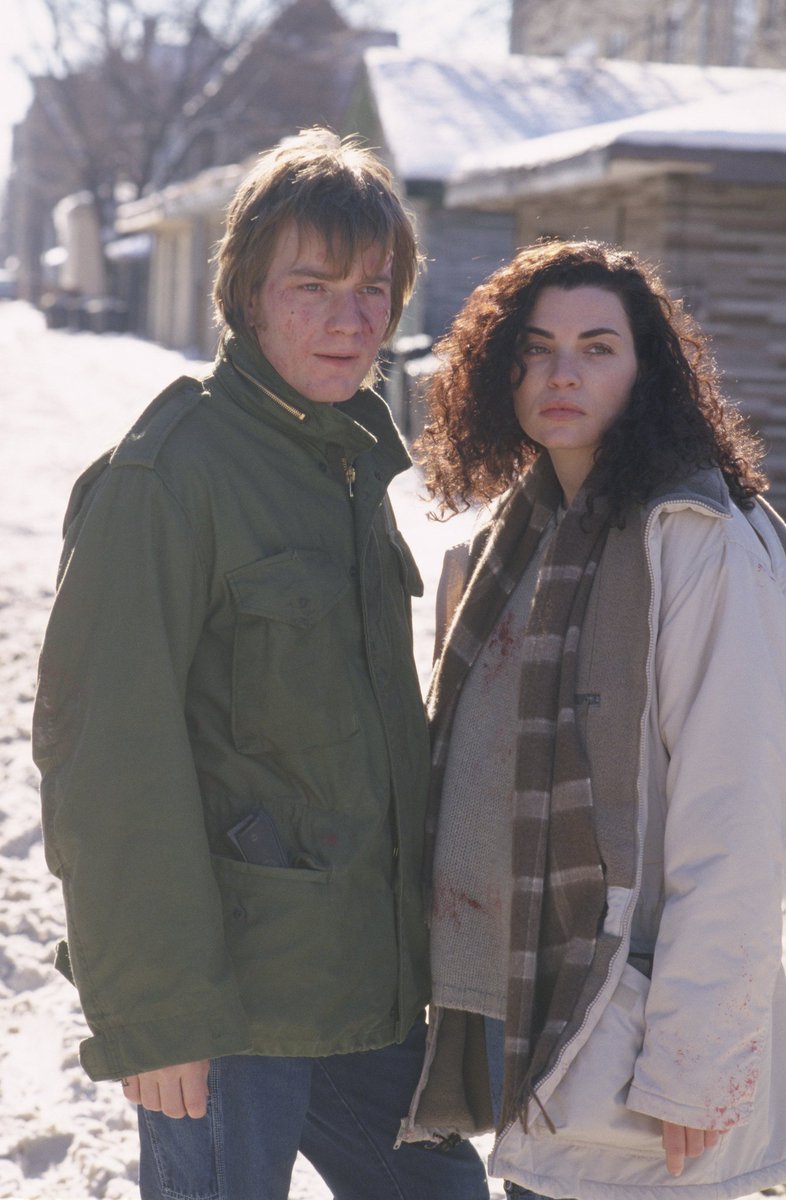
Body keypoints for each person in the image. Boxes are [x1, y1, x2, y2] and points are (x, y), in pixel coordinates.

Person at [32, 128, 488, 1200]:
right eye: (312, 286)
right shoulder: (170, 475)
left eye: (373, 289)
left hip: (361, 986)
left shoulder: (343, 458)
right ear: (246, 295)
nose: (351, 318)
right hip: (227, 1011)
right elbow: (104, 763)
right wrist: (159, 1014)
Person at [397, 239, 786, 1200]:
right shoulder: (516, 534)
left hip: (628, 1020)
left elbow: (739, 821)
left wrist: (696, 1059)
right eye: (535, 348)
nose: (561, 372)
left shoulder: (694, 540)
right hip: (519, 1000)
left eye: (597, 347)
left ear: (649, 372)